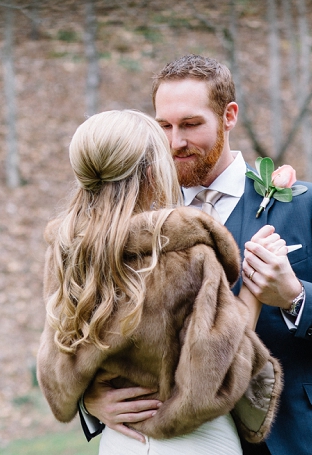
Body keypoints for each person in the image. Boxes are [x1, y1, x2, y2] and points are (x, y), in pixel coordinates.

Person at [80, 55, 312, 455]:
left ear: (229, 116)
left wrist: (295, 296)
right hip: (192, 440)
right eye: (164, 126)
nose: (175, 142)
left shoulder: (305, 204)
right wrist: (91, 400)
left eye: (190, 125)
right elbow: (87, 324)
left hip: (300, 437)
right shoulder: (140, 220)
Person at [37, 109, 284, 455]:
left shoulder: (67, 254)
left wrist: (91, 400)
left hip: (121, 442)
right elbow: (219, 370)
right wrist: (255, 293)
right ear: (154, 172)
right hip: (196, 441)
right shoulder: (186, 255)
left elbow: (57, 373)